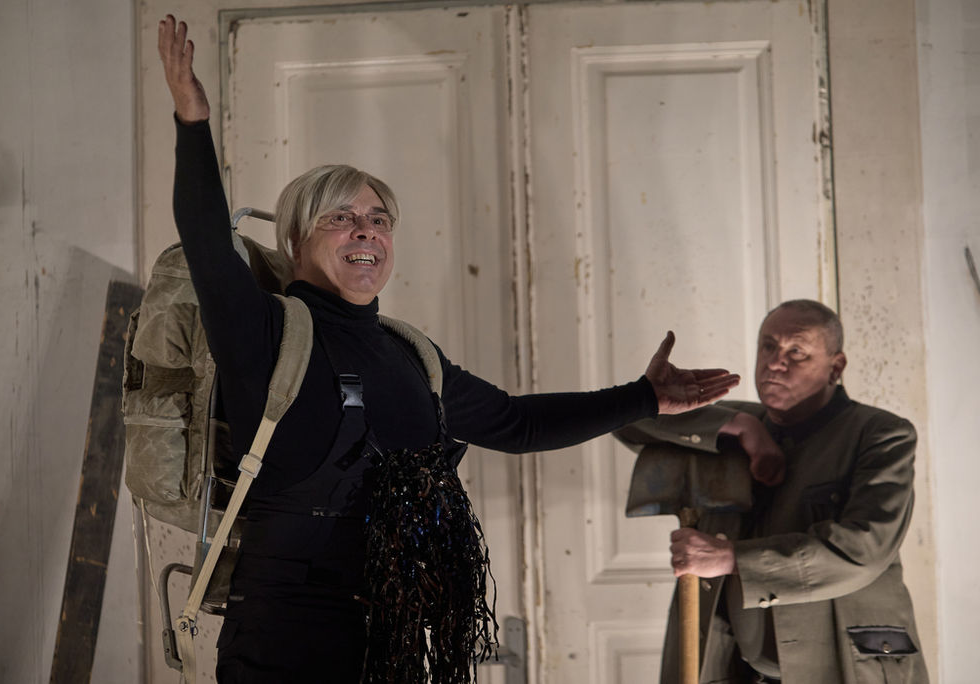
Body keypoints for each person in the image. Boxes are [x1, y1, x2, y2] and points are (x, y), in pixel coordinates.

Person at [157, 14, 741, 683]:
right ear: (296, 240)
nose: (365, 232)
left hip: (393, 642)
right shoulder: (266, 334)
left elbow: (517, 424)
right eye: (340, 218)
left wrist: (645, 397)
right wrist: (192, 121)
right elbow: (207, 239)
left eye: (378, 219)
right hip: (281, 642)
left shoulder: (412, 355)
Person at [616, 300, 928, 684]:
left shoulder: (881, 434)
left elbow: (863, 549)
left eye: (796, 351)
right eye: (768, 346)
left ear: (836, 367)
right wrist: (741, 425)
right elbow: (626, 422)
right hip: (734, 668)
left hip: (845, 668)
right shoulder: (735, 426)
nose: (775, 363)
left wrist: (731, 558)